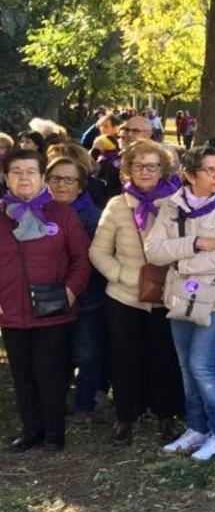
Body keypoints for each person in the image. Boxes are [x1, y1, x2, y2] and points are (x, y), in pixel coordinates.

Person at [145, 147, 215, 461]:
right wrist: (195, 244)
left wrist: (184, 265)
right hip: (178, 299)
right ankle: (197, 429)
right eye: (210, 170)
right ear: (189, 175)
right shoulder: (171, 207)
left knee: (203, 366)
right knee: (187, 369)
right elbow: (154, 252)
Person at [89, 140, 185, 445]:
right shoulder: (117, 206)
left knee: (164, 357)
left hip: (167, 295)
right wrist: (123, 277)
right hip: (125, 296)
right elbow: (98, 252)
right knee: (125, 358)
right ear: (128, 169)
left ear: (163, 169)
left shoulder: (177, 203)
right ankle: (126, 416)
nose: (145, 171)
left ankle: (166, 415)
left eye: (152, 165)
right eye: (139, 165)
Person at [0, 148, 92, 452]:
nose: (23, 177)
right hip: (11, 310)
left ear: (42, 178)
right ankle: (31, 431)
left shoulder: (62, 213)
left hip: (52, 310)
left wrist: (70, 290)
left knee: (49, 373)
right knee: (22, 375)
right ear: (6, 177)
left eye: (30, 172)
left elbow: (81, 259)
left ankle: (54, 432)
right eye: (16, 172)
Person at [46, 155, 109, 417]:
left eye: (69, 180)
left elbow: (94, 260)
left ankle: (85, 403)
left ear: (80, 185)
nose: (62, 185)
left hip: (86, 298)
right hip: (48, 297)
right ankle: (55, 400)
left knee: (87, 351)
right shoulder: (37, 210)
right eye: (55, 179)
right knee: (56, 352)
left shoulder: (92, 217)